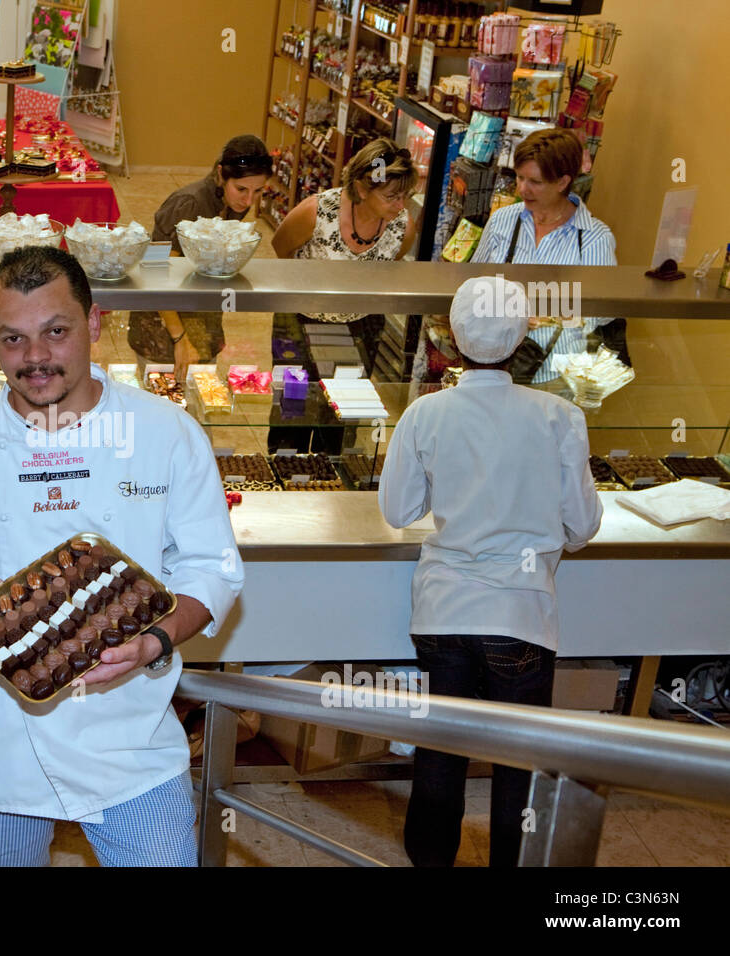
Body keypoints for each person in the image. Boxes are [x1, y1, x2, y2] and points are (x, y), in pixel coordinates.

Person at [0, 246, 244, 867]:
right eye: (13, 338)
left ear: (94, 324)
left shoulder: (166, 435)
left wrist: (155, 642)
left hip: (129, 736)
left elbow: (212, 568)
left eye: (55, 332)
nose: (35, 357)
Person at [378, 275, 603, 868]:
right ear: (524, 335)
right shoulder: (560, 416)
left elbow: (399, 511)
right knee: (516, 765)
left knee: (440, 754)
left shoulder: (424, 413)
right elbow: (582, 526)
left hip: (443, 613)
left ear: (451, 336)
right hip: (521, 617)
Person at [269, 137, 419, 452]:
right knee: (291, 411)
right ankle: (285, 481)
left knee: (339, 418)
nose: (400, 205)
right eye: (392, 196)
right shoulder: (317, 211)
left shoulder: (401, 226)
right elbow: (281, 247)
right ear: (363, 189)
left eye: (405, 195)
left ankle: (327, 486)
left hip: (360, 329)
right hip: (298, 323)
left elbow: (389, 263)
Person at [471, 127, 622, 385]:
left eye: (535, 182)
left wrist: (548, 314)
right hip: (493, 370)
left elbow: (602, 313)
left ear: (563, 182)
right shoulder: (503, 221)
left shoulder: (594, 239)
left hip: (556, 377)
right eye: (519, 178)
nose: (522, 189)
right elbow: (474, 283)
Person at [127, 134, 272, 380]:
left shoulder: (232, 203)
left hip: (200, 322)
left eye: (258, 191)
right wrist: (180, 339)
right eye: (242, 189)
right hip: (163, 331)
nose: (249, 200)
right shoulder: (189, 204)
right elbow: (154, 270)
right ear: (221, 174)